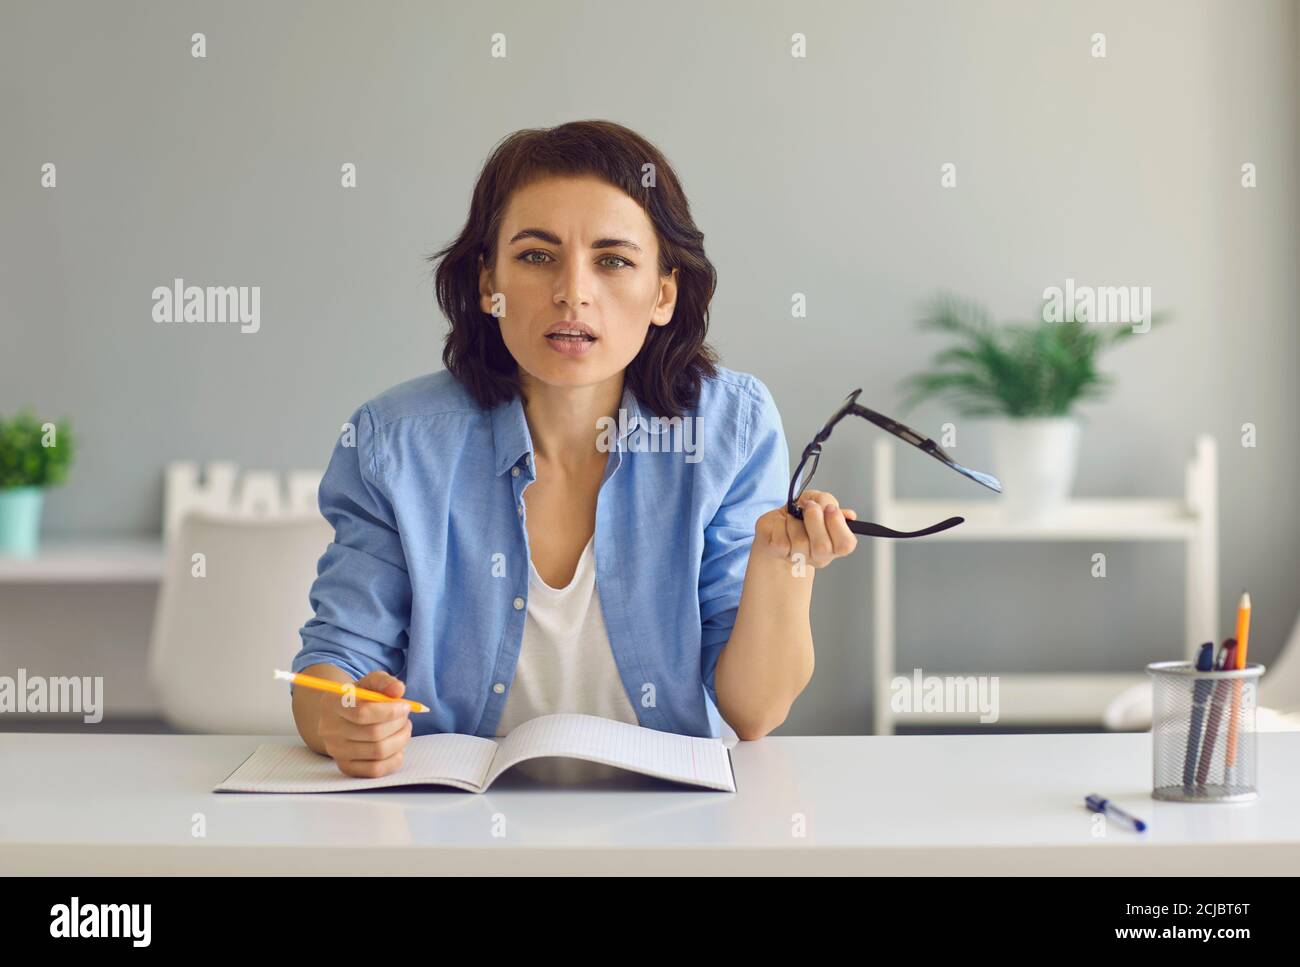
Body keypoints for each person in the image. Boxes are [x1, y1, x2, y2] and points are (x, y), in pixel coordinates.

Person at [290, 120, 862, 781]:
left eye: (613, 260)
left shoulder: (729, 427)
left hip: (672, 824)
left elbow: (753, 711)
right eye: (536, 256)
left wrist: (782, 562)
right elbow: (330, 665)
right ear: (487, 282)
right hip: (456, 828)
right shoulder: (394, 442)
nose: (573, 291)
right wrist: (342, 719)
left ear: (664, 293)